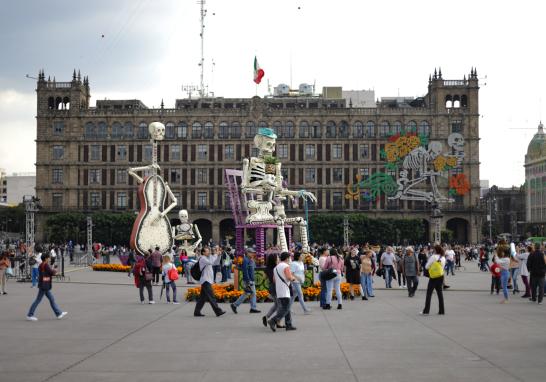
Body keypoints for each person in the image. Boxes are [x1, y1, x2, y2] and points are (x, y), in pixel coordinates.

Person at [26, 252, 67, 321]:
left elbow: (47, 273)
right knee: (38, 300)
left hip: (44, 284)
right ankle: (30, 314)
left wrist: (52, 271)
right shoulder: (45, 265)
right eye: (49, 257)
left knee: (51, 299)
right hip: (44, 285)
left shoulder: (41, 264)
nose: (50, 258)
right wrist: (55, 271)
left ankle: (58, 313)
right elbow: (51, 272)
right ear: (46, 258)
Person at [268, 252, 297, 332]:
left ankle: (288, 324)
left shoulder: (276, 267)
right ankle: (273, 321)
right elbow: (289, 277)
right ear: (287, 258)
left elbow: (274, 280)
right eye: (289, 258)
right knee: (286, 309)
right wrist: (294, 279)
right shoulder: (286, 266)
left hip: (279, 290)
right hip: (285, 290)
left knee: (285, 307)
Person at [194, 247, 226, 317]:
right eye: (207, 251)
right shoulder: (202, 258)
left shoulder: (208, 257)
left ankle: (197, 312)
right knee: (211, 296)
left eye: (209, 251)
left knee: (202, 298)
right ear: (203, 253)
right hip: (205, 280)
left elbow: (216, 263)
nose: (209, 252)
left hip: (207, 280)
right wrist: (216, 254)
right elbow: (211, 262)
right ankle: (218, 311)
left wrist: (219, 255)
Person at [230, 248, 261, 314]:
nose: (253, 254)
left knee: (249, 293)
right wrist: (248, 281)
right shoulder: (246, 260)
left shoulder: (250, 260)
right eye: (251, 252)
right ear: (247, 253)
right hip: (248, 280)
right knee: (249, 293)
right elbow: (245, 271)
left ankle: (236, 305)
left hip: (251, 280)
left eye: (253, 252)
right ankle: (236, 305)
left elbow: (253, 268)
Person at [420, 245, 446, 315]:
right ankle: (441, 311)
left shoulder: (433, 257)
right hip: (440, 276)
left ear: (435, 250)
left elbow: (426, 266)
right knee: (440, 293)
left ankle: (426, 311)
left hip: (433, 277)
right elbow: (442, 268)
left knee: (429, 294)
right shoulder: (443, 257)